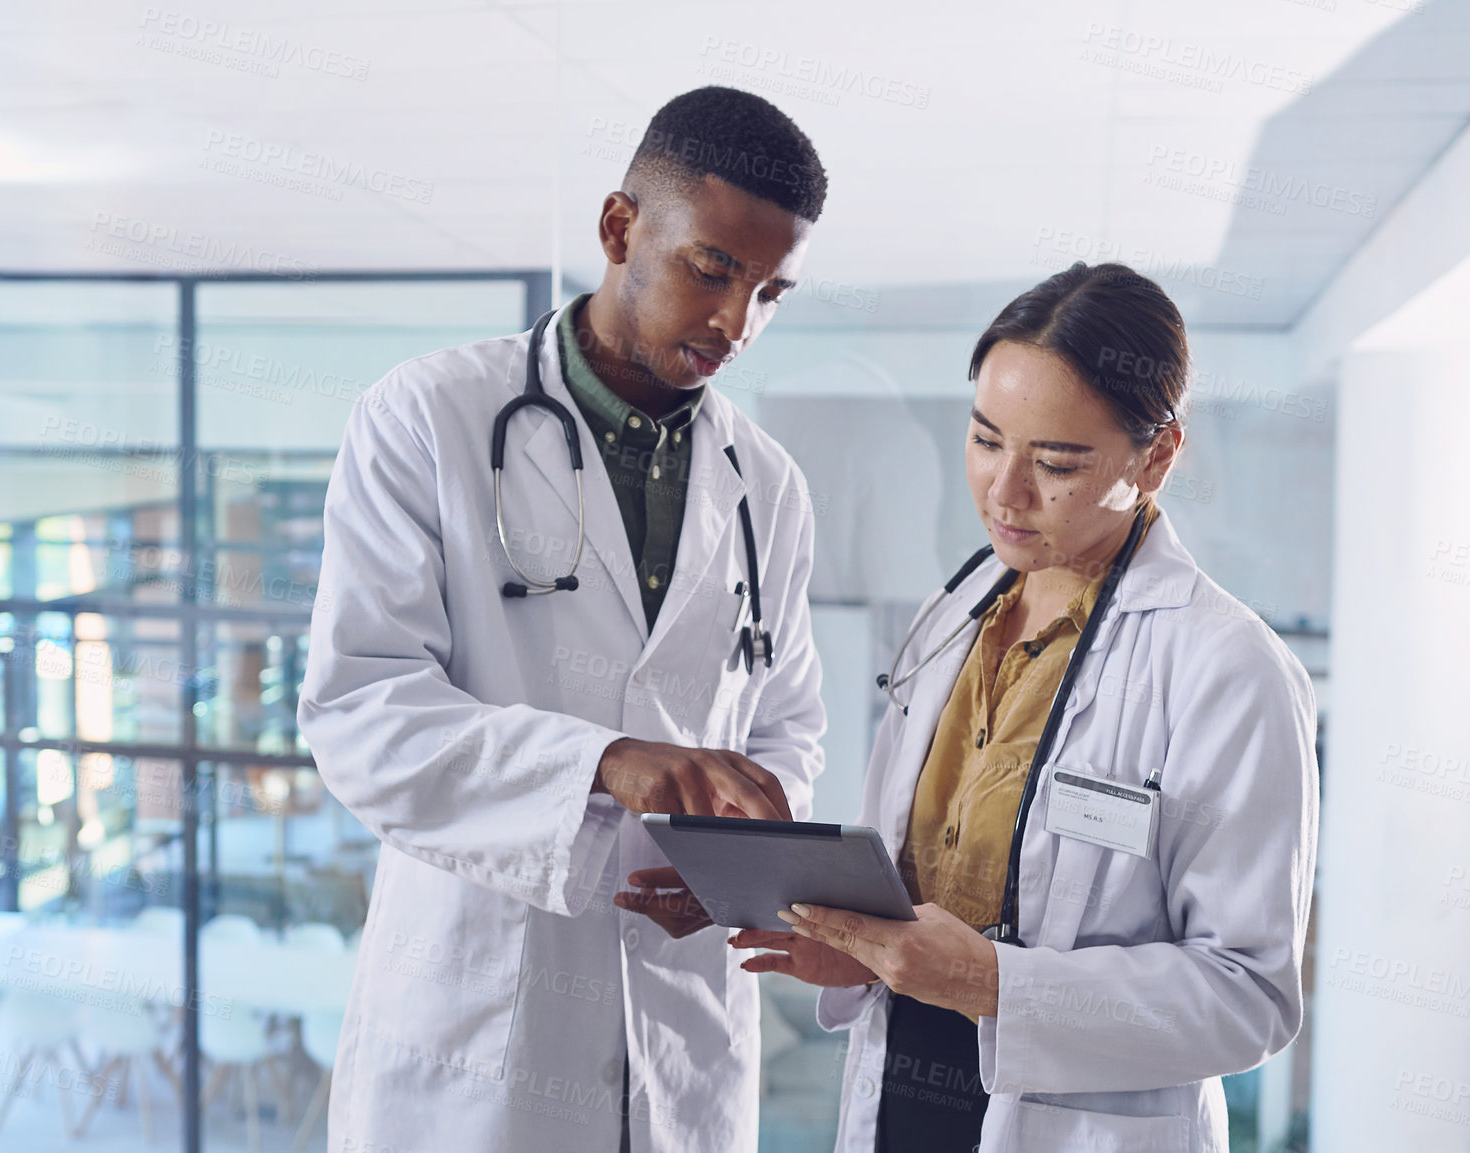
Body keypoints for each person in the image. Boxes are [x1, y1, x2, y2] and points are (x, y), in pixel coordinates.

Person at [297, 86, 830, 1152]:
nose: (737, 323)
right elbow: (359, 710)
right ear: (620, 228)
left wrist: (736, 866)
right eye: (712, 270)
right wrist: (602, 763)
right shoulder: (428, 417)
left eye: (770, 291)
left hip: (681, 1020)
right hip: (479, 1025)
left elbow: (787, 727)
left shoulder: (764, 484)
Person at [729, 262, 1318, 1152]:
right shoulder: (956, 612)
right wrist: (860, 948)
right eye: (985, 439)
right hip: (902, 1101)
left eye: (1056, 461)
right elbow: (922, 879)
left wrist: (995, 984)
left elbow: (1249, 998)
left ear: (1157, 456)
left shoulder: (1226, 667)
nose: (1005, 492)